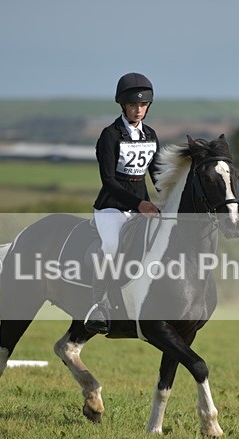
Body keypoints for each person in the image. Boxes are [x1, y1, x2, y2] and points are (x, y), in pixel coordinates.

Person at [84, 72, 161, 334]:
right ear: (122, 105)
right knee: (112, 245)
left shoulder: (150, 135)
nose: (138, 110)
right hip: (111, 206)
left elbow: (157, 176)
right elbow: (109, 181)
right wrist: (139, 204)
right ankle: (98, 305)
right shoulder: (110, 135)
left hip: (142, 207)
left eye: (143, 105)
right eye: (132, 105)